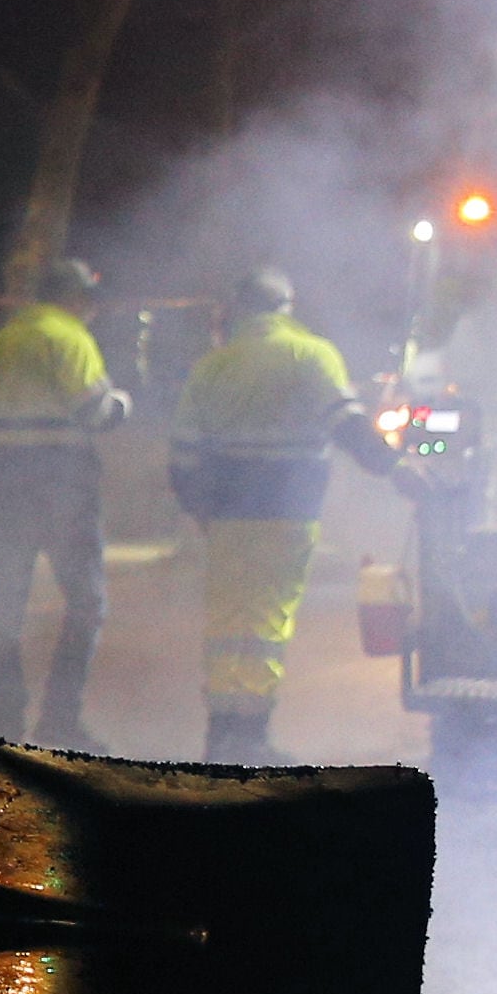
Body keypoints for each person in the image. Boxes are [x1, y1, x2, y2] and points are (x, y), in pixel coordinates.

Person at [167, 267, 419, 761]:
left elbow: (182, 456)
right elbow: (346, 424)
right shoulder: (310, 354)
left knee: (226, 623)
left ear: (238, 311)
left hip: (226, 518)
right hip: (286, 512)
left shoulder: (213, 366)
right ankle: (251, 737)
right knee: (266, 622)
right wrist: (395, 467)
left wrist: (199, 509)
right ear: (286, 307)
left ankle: (221, 736)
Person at [0, 254, 126, 743]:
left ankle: (7, 716)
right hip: (62, 487)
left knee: (6, 607)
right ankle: (61, 718)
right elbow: (98, 413)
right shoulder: (69, 337)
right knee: (87, 604)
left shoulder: (3, 341)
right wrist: (124, 402)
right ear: (75, 299)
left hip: (4, 485)